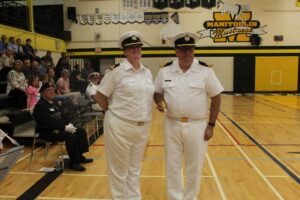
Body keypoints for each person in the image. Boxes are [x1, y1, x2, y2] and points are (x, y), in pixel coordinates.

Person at [154, 32, 224, 200]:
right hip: (172, 124)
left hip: (197, 125)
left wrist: (211, 125)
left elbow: (216, 97)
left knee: (195, 166)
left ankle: (191, 197)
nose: (187, 53)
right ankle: (175, 197)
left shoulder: (205, 71)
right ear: (176, 51)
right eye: (183, 50)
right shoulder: (165, 71)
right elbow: (157, 92)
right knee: (172, 165)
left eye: (190, 50)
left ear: (194, 51)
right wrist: (159, 101)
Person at [95, 31, 154, 200]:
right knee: (119, 171)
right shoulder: (116, 71)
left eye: (138, 47)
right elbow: (100, 96)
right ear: (124, 51)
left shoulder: (147, 72)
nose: (135, 50)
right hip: (120, 126)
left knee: (135, 169)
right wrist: (110, 112)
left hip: (142, 128)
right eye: (131, 48)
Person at [33, 82, 93, 171]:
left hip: (59, 129)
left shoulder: (53, 103)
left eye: (52, 90)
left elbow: (63, 115)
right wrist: (64, 128)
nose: (52, 92)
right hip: (48, 131)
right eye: (49, 90)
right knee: (71, 136)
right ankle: (73, 163)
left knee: (80, 131)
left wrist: (69, 124)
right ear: (43, 93)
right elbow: (48, 122)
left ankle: (79, 157)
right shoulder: (41, 106)